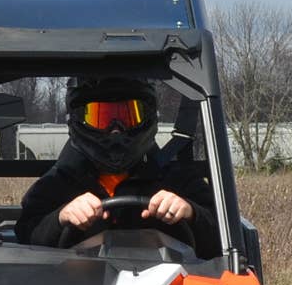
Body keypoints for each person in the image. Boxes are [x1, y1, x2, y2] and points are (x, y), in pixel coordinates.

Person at [15, 77, 218, 256]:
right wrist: (61, 217)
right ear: (78, 119)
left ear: (148, 117)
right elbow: (25, 238)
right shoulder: (57, 183)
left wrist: (191, 213)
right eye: (100, 118)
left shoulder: (178, 180)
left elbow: (224, 239)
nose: (115, 131)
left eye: (129, 117)